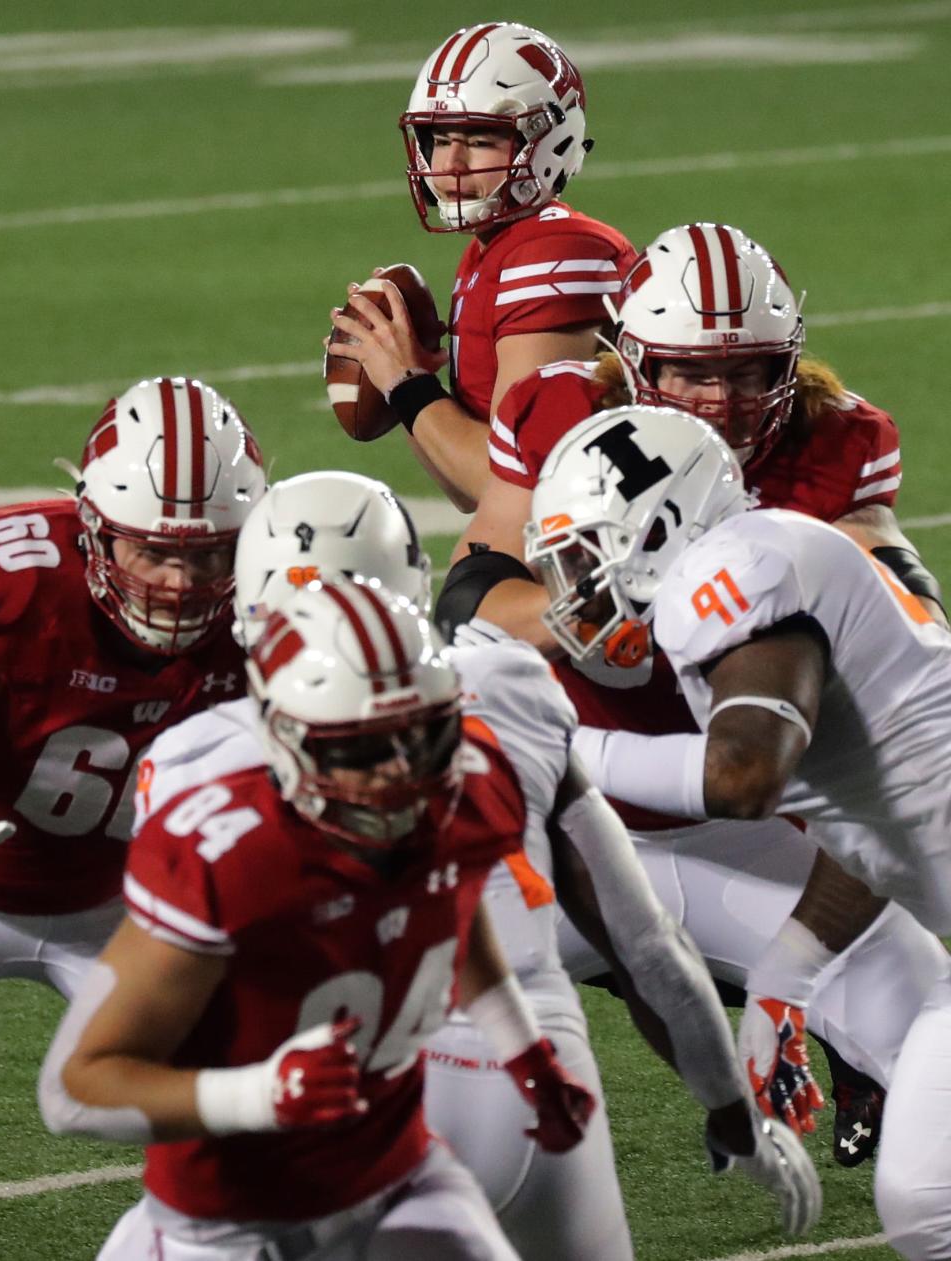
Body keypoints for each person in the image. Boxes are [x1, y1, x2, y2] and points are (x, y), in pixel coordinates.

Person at [131, 470, 820, 1255]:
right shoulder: (509, 685)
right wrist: (736, 1115)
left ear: (252, 612)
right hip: (530, 1077)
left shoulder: (191, 756)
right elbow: (648, 948)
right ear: (408, 587)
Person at [437, 222, 950, 1166]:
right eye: (686, 371)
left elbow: (900, 598)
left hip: (737, 807)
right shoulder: (558, 412)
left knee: (921, 1003)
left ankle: (865, 1077)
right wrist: (596, 609)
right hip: (557, 816)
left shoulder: (835, 439)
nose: (720, 400)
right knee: (411, 1045)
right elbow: (471, 591)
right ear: (629, 361)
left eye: (751, 371)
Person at [38, 579, 599, 1261]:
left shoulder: (471, 784)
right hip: (222, 1225)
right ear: (284, 739)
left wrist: (527, 1054)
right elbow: (73, 1087)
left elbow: (448, 894)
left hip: (400, 1179)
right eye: (362, 749)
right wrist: (261, 1094)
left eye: (416, 733)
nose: (399, 773)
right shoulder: (229, 856)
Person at [524, 403, 951, 1261]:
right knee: (926, 1200)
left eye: (585, 554)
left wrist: (566, 744)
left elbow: (743, 780)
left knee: (927, 1200)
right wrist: (784, 979)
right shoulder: (760, 558)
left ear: (659, 528)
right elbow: (871, 825)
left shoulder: (725, 576)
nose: (574, 587)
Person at [0, 376, 265, 998]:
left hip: (131, 908)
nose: (178, 581)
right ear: (95, 532)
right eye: (154, 552)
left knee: (216, 1069)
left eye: (207, 555)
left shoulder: (270, 606)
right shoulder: (14, 585)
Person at [327, 22, 637, 510]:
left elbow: (513, 485)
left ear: (548, 141)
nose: (449, 163)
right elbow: (466, 491)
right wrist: (413, 382)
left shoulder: (555, 251)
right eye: (440, 138)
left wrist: (406, 384)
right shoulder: (494, 250)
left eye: (480, 140)